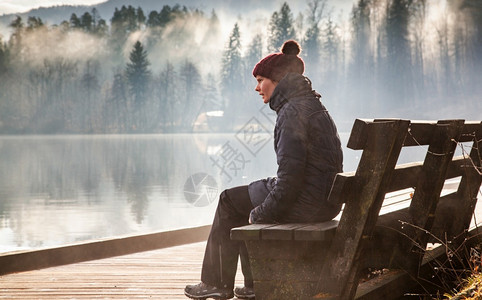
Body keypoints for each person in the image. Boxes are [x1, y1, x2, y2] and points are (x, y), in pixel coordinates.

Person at [184, 40, 343, 299]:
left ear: (277, 79)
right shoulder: (312, 105)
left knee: (228, 201)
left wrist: (261, 213)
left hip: (308, 203)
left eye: (260, 80)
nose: (257, 87)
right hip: (324, 200)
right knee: (250, 197)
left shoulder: (292, 112)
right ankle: (251, 285)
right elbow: (299, 171)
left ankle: (216, 283)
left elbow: (290, 181)